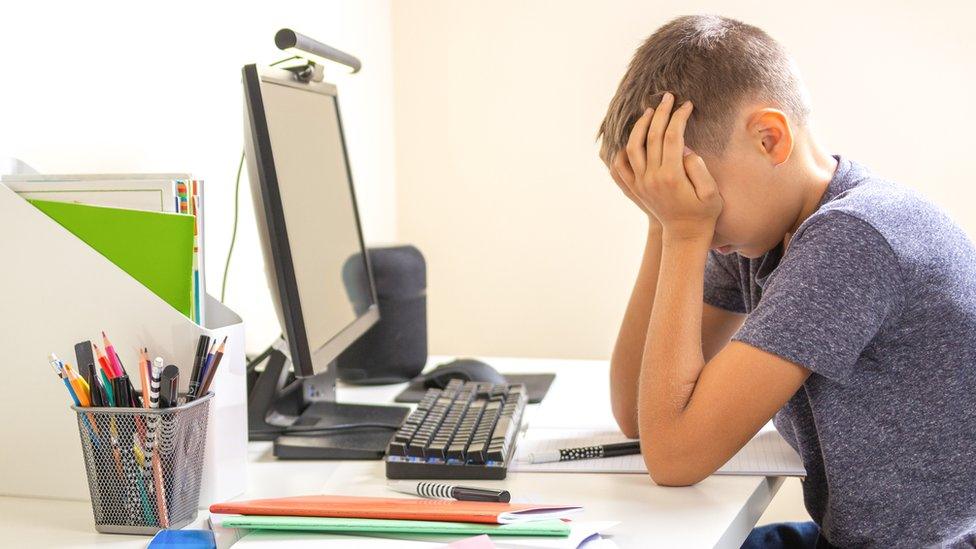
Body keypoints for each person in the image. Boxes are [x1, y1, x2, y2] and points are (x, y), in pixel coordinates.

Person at [597, 14, 976, 548]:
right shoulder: (762, 231)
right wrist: (663, 223)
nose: (691, 208)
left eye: (691, 184)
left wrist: (683, 232)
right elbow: (639, 415)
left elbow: (675, 457)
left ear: (770, 138)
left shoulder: (854, 237)